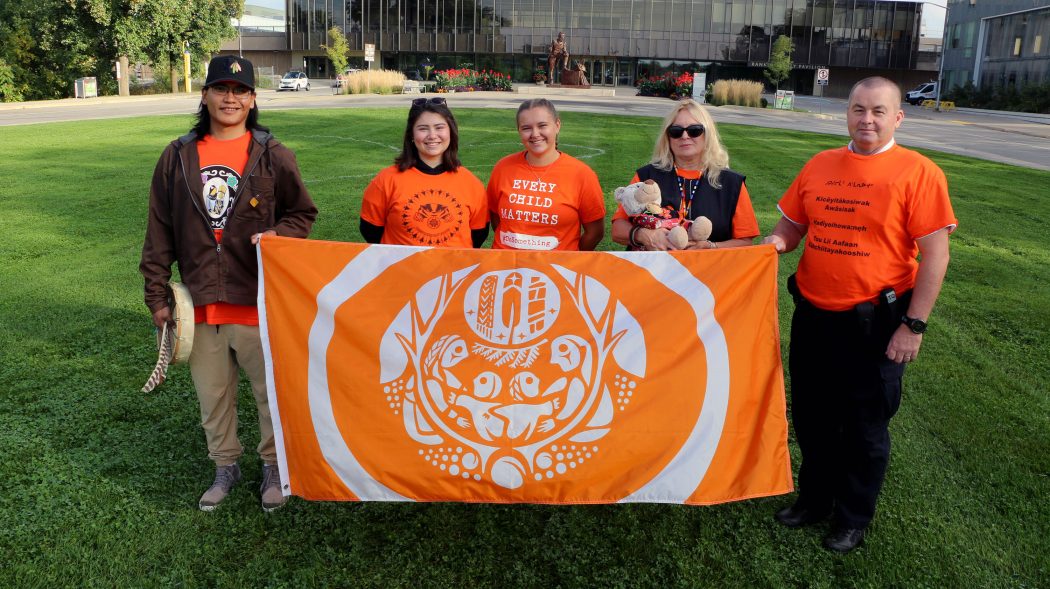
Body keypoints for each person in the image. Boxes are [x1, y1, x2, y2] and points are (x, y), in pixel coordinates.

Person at [763, 77, 956, 553]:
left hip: (876, 323)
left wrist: (913, 326)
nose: (866, 119)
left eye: (877, 111)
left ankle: (852, 517)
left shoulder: (918, 172)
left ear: (897, 117)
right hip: (813, 317)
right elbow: (793, 223)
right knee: (812, 417)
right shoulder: (821, 164)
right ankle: (814, 500)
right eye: (857, 109)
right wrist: (776, 243)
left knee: (864, 427)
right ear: (845, 113)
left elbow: (936, 256)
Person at [140, 55, 318, 512]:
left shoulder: (273, 154)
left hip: (258, 299)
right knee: (213, 397)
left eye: (240, 91)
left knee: (269, 395)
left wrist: (277, 235)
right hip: (199, 303)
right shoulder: (178, 155)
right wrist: (156, 295)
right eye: (221, 89)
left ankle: (274, 467)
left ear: (253, 99)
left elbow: (302, 213)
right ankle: (225, 466)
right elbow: (159, 229)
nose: (230, 98)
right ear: (205, 95)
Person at [611, 98, 759, 250]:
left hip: (708, 271)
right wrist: (645, 236)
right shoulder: (646, 177)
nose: (685, 136)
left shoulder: (731, 184)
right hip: (652, 271)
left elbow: (745, 242)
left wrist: (711, 247)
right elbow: (617, 229)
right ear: (668, 137)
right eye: (676, 131)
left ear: (707, 134)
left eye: (694, 130)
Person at [359, 97, 488, 247]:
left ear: (451, 131)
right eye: (423, 128)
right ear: (411, 135)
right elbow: (370, 231)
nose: (432, 135)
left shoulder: (471, 184)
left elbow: (478, 235)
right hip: (402, 269)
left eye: (439, 127)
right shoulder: (386, 180)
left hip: (454, 269)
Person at [487, 98, 606, 251]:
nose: (535, 134)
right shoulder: (503, 168)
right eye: (526, 128)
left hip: (554, 269)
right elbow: (495, 218)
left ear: (557, 125)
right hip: (506, 267)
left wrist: (569, 258)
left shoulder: (582, 174)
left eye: (542, 125)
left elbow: (595, 232)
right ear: (519, 131)